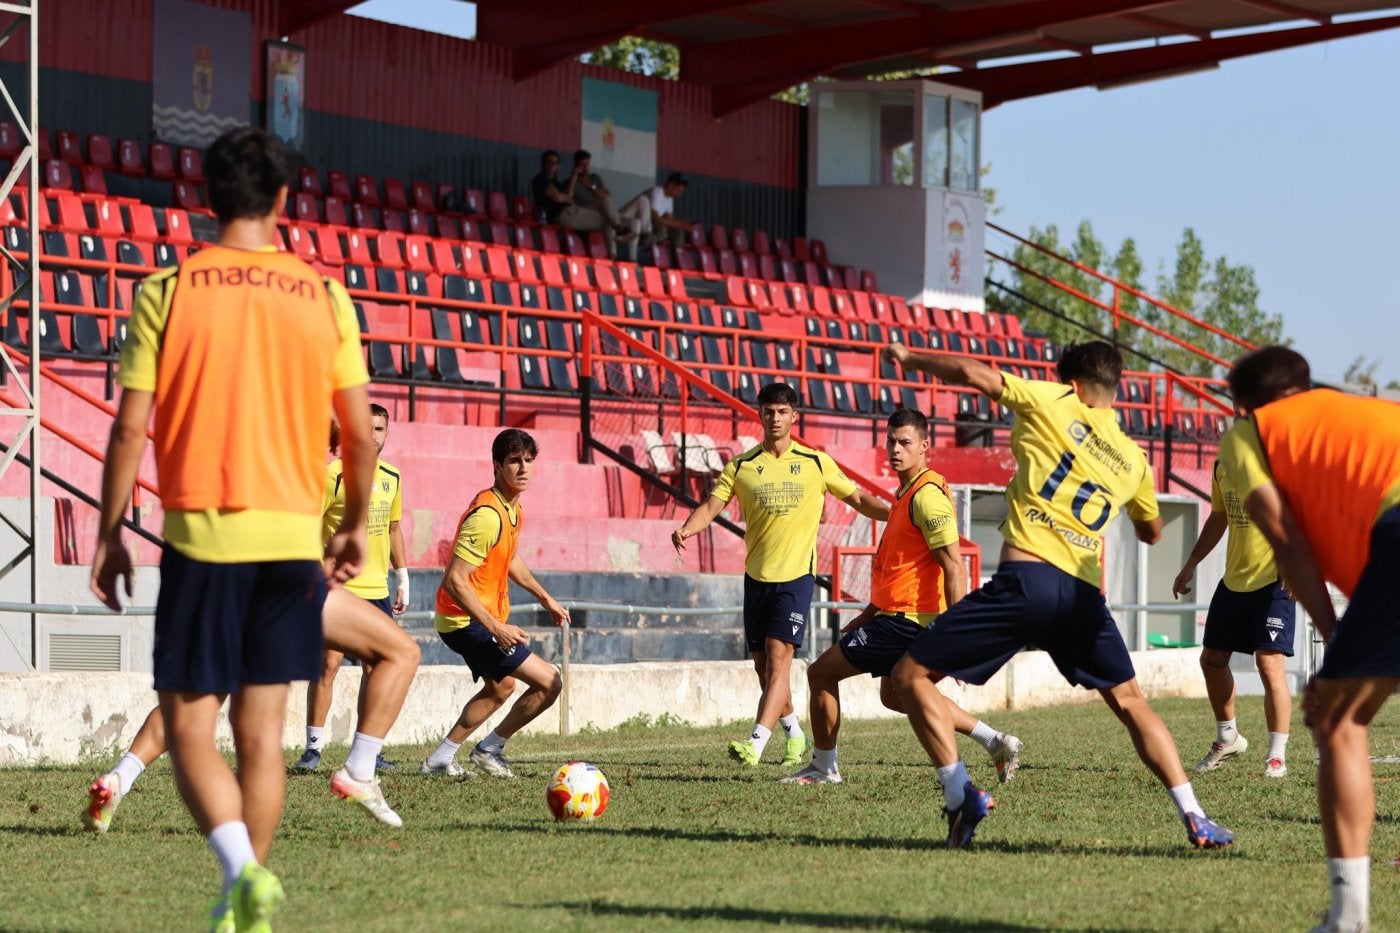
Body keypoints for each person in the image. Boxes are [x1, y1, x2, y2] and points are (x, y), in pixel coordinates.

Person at [88, 126, 376, 931]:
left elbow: (128, 429)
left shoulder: (168, 289)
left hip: (205, 541)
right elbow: (356, 432)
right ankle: (246, 896)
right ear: (284, 199)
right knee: (263, 733)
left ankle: (240, 870)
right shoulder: (325, 296)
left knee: (187, 726)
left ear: (206, 198)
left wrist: (111, 531)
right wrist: (352, 523)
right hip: (290, 545)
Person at [883, 340, 1235, 851]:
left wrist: (912, 360)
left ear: (1070, 383)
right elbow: (1153, 530)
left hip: (1024, 583)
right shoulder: (1133, 458)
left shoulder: (1051, 401)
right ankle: (1196, 815)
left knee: (907, 677)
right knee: (1132, 702)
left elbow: (972, 372)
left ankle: (961, 795)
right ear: (1115, 389)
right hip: (1081, 598)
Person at [1216, 346, 1400, 933]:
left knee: (1340, 722)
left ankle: (1348, 918)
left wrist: (1331, 637)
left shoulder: (1250, 433)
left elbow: (1285, 539)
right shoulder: (1369, 411)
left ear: (1244, 405)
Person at [783, 408, 1022, 785]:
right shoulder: (905, 493)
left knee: (820, 673)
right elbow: (904, 567)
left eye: (905, 442)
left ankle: (824, 766)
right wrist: (868, 614)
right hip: (893, 616)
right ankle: (995, 741)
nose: (895, 449)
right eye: (891, 441)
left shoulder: (927, 497)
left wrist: (958, 634)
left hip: (906, 623)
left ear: (925, 446)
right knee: (896, 696)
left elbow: (954, 567)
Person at [671, 382, 890, 768]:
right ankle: (794, 733)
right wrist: (687, 529)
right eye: (768, 411)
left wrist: (895, 512)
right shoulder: (741, 466)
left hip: (796, 577)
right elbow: (711, 505)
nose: (775, 418)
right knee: (763, 666)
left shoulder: (815, 462)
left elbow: (856, 498)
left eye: (782, 411)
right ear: (760, 414)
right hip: (756, 577)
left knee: (778, 658)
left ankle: (755, 743)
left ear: (794, 416)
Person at [82, 585, 421, 834]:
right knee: (401, 652)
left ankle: (119, 779)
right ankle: (359, 771)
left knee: (194, 703)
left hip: (215, 582)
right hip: (279, 578)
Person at [419, 429, 571, 779]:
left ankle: (441, 758)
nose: (523, 468)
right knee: (550, 683)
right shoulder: (487, 515)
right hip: (465, 621)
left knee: (500, 687)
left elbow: (510, 558)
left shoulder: (511, 510)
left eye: (529, 461)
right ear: (497, 466)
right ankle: (489, 749)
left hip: (472, 619)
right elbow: (455, 580)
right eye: (514, 461)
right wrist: (495, 627)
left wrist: (545, 597)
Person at [294, 405, 409, 774]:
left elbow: (393, 529)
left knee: (378, 669)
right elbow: (310, 525)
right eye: (367, 427)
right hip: (339, 588)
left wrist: (402, 577)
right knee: (327, 665)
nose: (373, 434)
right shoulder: (333, 475)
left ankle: (367, 750)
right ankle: (313, 749)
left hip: (377, 587)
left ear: (387, 433)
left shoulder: (392, 476)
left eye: (380, 428)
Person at [1171, 457, 1295, 778]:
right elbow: (1219, 516)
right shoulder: (1221, 464)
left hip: (1275, 581)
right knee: (1211, 659)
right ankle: (1228, 738)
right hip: (1234, 582)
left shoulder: (1280, 461)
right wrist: (1191, 563)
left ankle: (1276, 757)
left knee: (1269, 665)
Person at [529, 149, 627, 260]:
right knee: (608, 219)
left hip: (573, 210)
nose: (552, 165)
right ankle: (613, 253)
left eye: (555, 163)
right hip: (562, 215)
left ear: (558, 166)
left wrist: (574, 175)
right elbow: (557, 197)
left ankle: (615, 242)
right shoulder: (540, 180)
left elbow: (568, 197)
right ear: (543, 163)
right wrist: (563, 197)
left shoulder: (557, 182)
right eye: (549, 162)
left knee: (606, 203)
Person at [570, 149, 644, 260]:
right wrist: (574, 176)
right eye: (582, 165)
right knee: (606, 210)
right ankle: (619, 231)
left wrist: (592, 186)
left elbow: (607, 194)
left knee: (635, 222)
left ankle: (631, 259)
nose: (586, 168)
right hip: (586, 212)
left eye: (588, 164)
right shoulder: (571, 181)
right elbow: (569, 198)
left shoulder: (594, 178)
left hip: (603, 213)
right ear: (577, 165)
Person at [642, 172, 690, 250]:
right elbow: (654, 216)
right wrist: (679, 224)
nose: (679, 194)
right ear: (670, 185)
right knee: (662, 230)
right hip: (645, 220)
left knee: (678, 230)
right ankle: (646, 248)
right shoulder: (657, 191)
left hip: (655, 222)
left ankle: (678, 256)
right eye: (678, 190)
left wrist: (682, 224)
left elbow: (670, 219)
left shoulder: (669, 198)